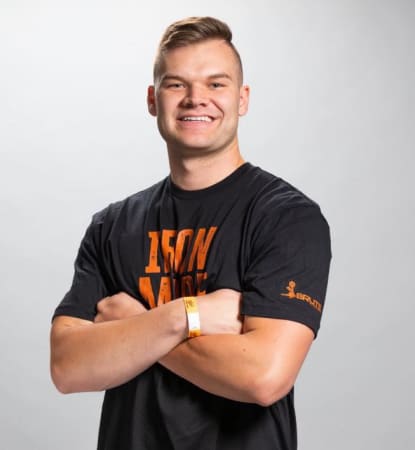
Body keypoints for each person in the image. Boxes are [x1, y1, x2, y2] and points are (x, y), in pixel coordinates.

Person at [50, 16, 331, 450]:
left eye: (216, 84)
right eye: (176, 84)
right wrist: (185, 316)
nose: (196, 98)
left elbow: (263, 376)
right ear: (153, 99)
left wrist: (133, 329)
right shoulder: (111, 227)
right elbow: (67, 367)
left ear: (242, 99)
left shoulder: (286, 218)